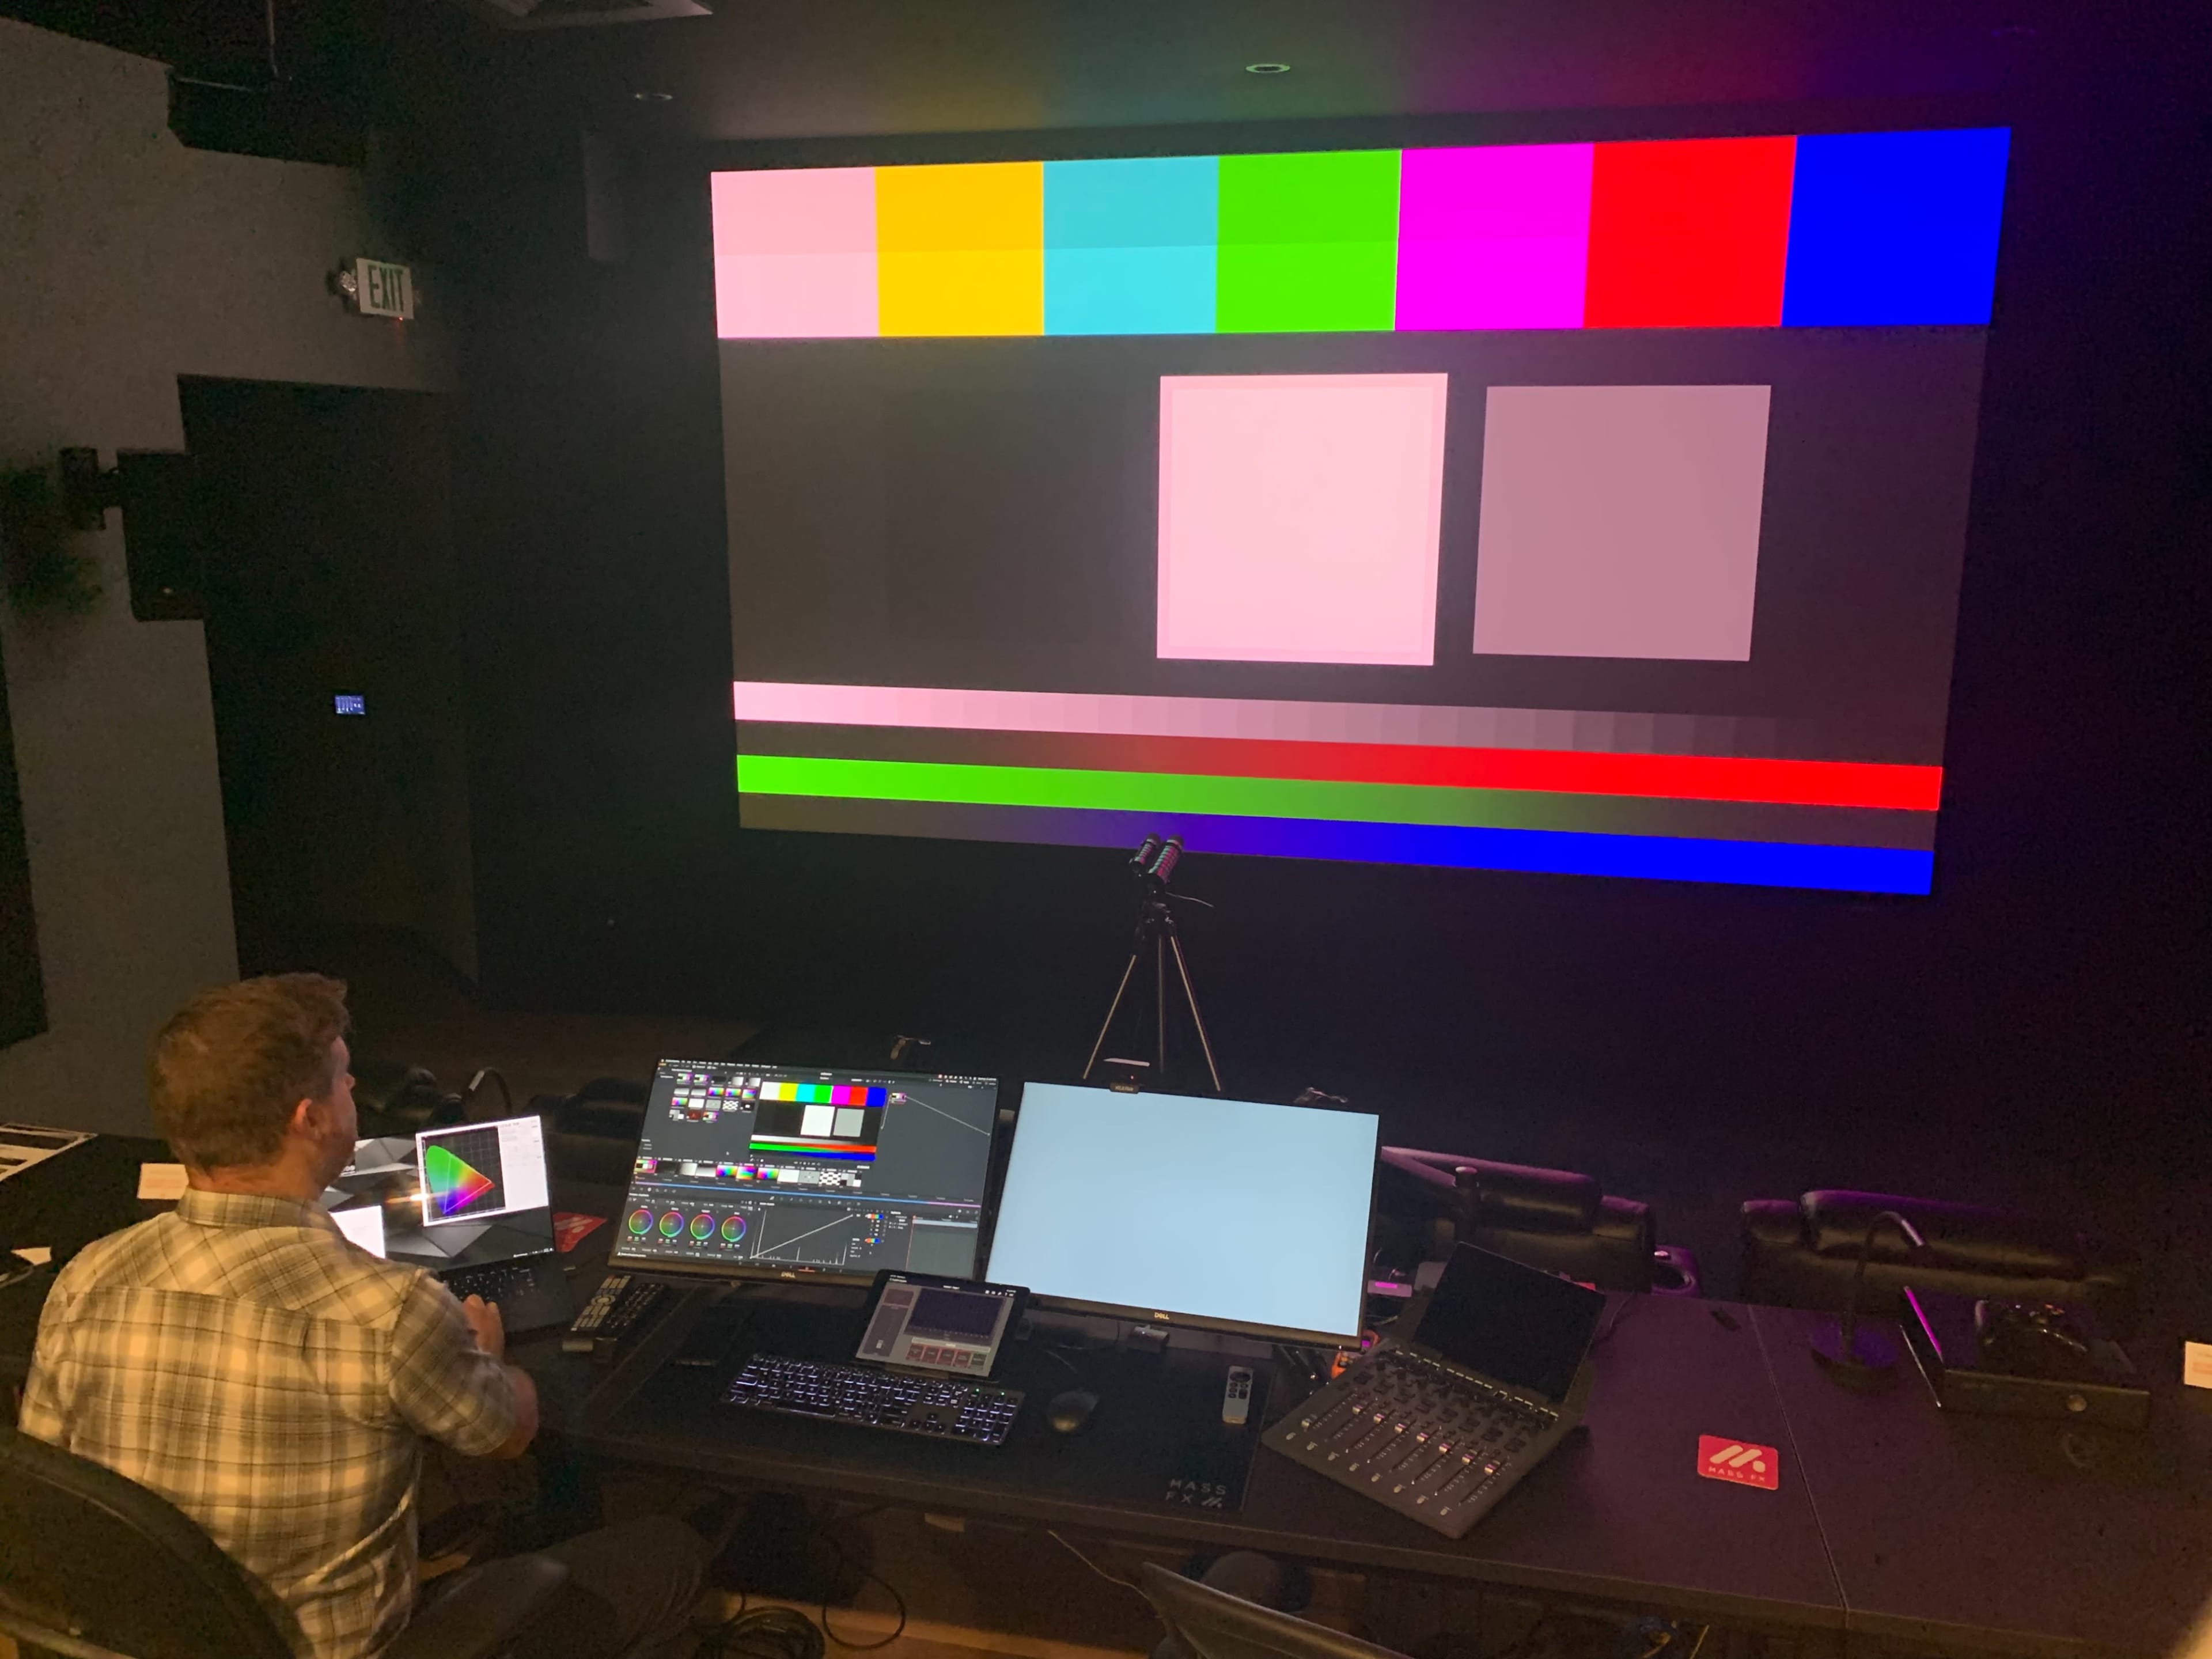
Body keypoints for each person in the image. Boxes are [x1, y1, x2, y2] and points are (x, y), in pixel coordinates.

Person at [18, 974, 706, 1659]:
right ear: (308, 1119)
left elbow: (58, 1490)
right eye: (345, 1079)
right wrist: (488, 1357)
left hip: (132, 1641)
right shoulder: (387, 1309)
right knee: (668, 1551)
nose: (354, 1093)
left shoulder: (89, 1277)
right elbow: (507, 1435)